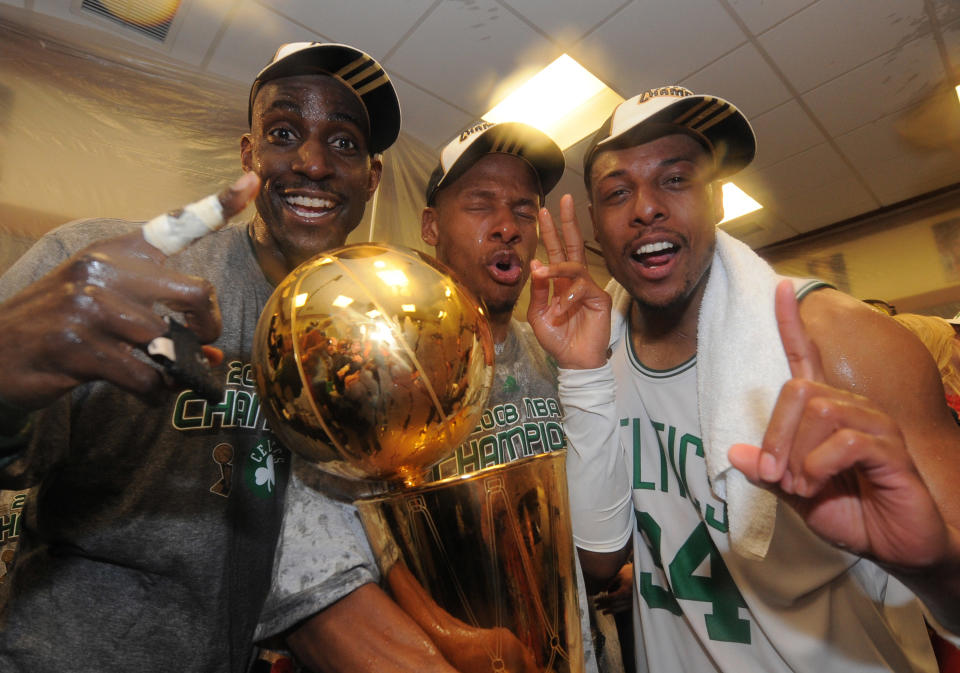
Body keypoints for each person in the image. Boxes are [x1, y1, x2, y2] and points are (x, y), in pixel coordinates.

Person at [0, 41, 409, 672]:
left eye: (345, 143)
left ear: (371, 178)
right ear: (249, 154)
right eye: (284, 131)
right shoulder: (119, 272)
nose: (313, 163)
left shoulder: (364, 343)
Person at [527, 86, 960, 672]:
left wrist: (932, 568)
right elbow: (601, 562)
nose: (646, 207)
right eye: (617, 192)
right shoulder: (597, 348)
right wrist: (582, 375)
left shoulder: (847, 344)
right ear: (598, 227)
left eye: (676, 179)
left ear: (719, 201)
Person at [256, 121, 605, 673]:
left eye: (522, 209)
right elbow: (316, 578)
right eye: (479, 204)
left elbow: (592, 546)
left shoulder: (556, 361)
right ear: (430, 226)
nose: (506, 227)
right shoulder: (375, 368)